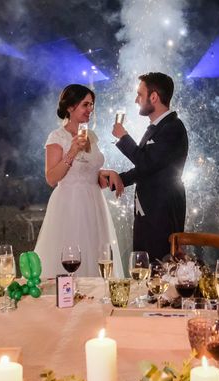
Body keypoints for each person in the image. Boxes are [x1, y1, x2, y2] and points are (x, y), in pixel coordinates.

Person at [34, 84, 123, 278]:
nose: (90, 110)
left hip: (94, 203)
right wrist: (72, 151)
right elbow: (51, 178)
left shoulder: (91, 136)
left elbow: (89, 170)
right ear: (70, 107)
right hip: (70, 204)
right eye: (85, 105)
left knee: (96, 254)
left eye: (91, 105)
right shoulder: (57, 137)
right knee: (73, 254)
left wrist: (105, 173)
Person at [104, 72, 189, 261]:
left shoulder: (173, 127)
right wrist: (118, 179)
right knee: (144, 267)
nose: (136, 100)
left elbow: (146, 162)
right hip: (147, 212)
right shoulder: (157, 127)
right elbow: (147, 169)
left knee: (160, 267)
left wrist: (123, 137)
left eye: (140, 95)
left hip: (162, 212)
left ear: (154, 97)